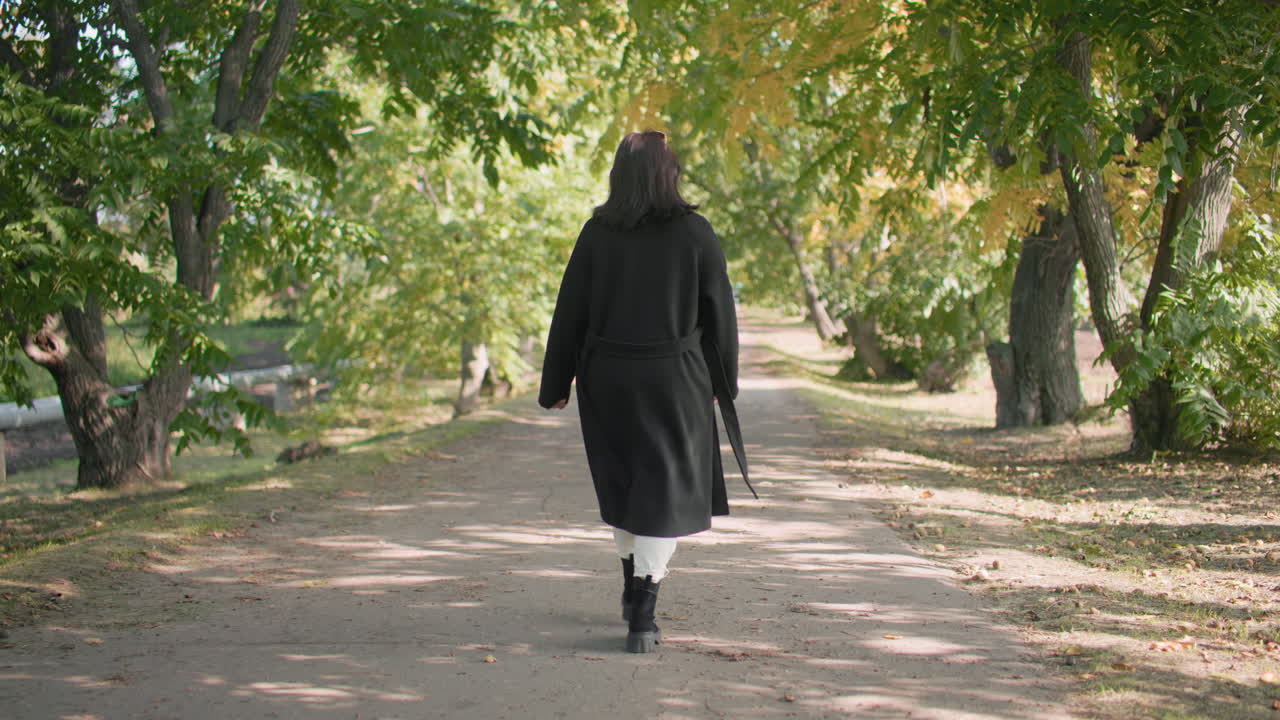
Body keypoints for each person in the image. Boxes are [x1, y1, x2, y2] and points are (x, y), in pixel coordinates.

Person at [538, 130, 751, 654]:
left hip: (608, 380)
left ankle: (633, 592)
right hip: (675, 381)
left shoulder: (597, 233)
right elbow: (720, 314)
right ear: (668, 173)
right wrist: (724, 383)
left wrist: (555, 383)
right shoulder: (695, 232)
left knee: (626, 486)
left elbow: (570, 310)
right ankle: (643, 610)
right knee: (662, 493)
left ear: (620, 177)